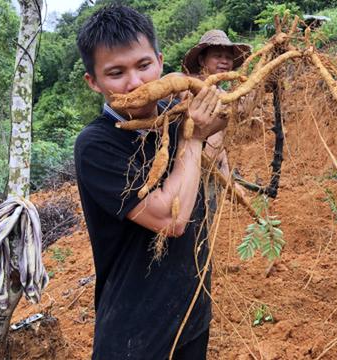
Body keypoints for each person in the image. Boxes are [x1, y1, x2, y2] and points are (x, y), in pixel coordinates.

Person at [74, 5, 225, 359]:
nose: (136, 83)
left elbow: (211, 154)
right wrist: (192, 138)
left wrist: (215, 120)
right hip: (135, 334)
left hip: (191, 312)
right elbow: (170, 219)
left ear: (159, 61)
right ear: (93, 81)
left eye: (143, 66)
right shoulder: (96, 145)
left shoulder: (176, 115)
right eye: (115, 73)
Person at [182, 30, 251, 216]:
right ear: (202, 60)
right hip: (188, 173)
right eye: (217, 56)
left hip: (212, 178)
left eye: (228, 57)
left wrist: (228, 179)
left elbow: (219, 143)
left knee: (205, 231)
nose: (224, 61)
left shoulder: (225, 96)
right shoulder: (188, 89)